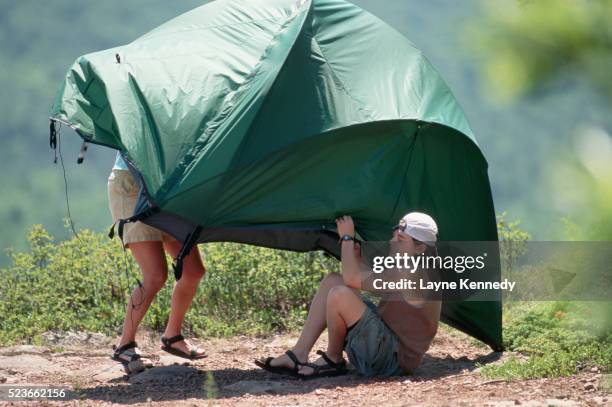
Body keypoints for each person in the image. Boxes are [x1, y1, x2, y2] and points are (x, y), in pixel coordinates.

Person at [256, 212, 441, 378]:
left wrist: (346, 237)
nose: (392, 242)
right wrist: (358, 259)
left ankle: (333, 359)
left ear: (420, 248)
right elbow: (371, 281)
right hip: (387, 345)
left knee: (339, 294)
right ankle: (298, 354)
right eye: (394, 236)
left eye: (401, 240)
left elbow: (353, 279)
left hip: (393, 360)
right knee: (333, 281)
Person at [108, 153, 207, 372]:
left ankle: (172, 336)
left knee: (193, 271)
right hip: (132, 182)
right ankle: (125, 345)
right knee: (155, 275)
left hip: (169, 183)